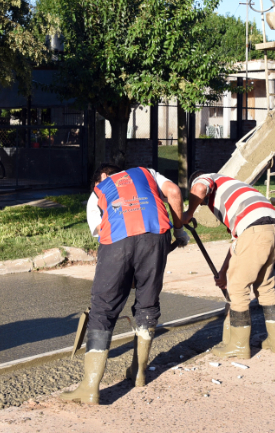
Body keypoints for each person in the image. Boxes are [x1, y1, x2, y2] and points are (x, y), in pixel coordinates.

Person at [62, 164, 188, 405]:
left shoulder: (98, 192)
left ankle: (90, 388)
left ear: (103, 178)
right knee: (147, 303)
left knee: (102, 309)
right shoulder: (147, 172)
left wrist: (121, 273)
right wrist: (179, 231)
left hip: (118, 239)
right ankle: (139, 373)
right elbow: (173, 192)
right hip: (157, 233)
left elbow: (104, 235)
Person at [182, 172, 275, 359]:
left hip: (254, 231)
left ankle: (239, 346)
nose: (203, 204)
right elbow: (239, 244)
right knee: (266, 286)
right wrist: (223, 272)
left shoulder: (206, 179)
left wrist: (188, 214)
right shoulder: (237, 189)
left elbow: (199, 188)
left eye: (202, 202)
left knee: (238, 289)